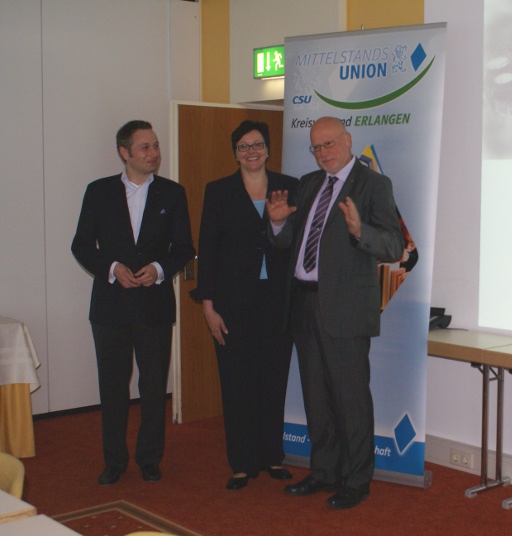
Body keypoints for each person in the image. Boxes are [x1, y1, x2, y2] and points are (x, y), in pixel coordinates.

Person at [266, 116, 404, 509]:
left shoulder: (374, 184)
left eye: (329, 144)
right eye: (316, 147)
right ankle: (324, 471)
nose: (323, 153)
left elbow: (394, 246)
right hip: (304, 304)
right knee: (316, 398)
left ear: (348, 140)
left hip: (346, 309)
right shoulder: (309, 183)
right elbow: (291, 242)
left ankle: (357, 480)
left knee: (350, 399)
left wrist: (360, 231)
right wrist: (278, 224)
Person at [71, 120, 195, 485]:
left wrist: (159, 269)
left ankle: (149, 458)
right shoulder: (98, 192)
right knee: (112, 387)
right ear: (124, 152)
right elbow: (81, 245)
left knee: (153, 388)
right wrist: (111, 268)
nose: (153, 153)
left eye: (155, 146)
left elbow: (184, 248)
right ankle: (114, 461)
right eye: (145, 147)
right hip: (110, 307)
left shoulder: (172, 193)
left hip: (154, 306)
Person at [193, 120, 297, 490]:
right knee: (237, 383)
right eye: (243, 146)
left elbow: (296, 242)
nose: (251, 151)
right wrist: (208, 305)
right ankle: (241, 462)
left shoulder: (289, 186)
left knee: (273, 380)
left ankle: (272, 456)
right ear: (235, 153)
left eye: (257, 145)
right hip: (231, 304)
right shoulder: (218, 191)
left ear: (268, 149)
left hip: (277, 301)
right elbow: (207, 249)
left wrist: (278, 225)